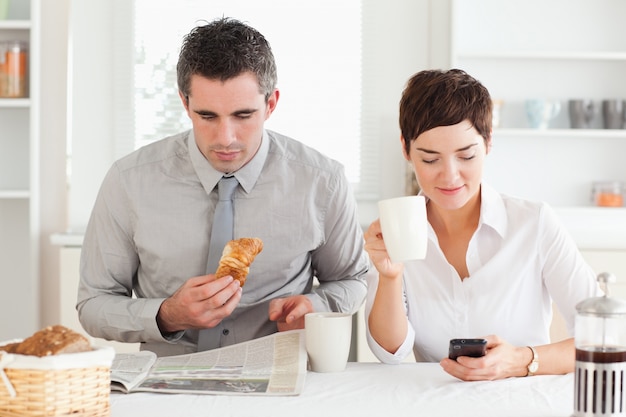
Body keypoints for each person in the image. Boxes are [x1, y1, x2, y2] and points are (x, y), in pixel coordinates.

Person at [77, 17, 368, 356]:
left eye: (243, 116)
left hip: (280, 379)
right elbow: (93, 304)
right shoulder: (129, 181)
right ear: (185, 104)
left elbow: (352, 280)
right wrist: (167, 314)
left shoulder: (323, 181)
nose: (225, 138)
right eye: (207, 116)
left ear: (270, 104)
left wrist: (317, 306)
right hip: (167, 385)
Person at [363, 68, 602, 381]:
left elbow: (604, 338)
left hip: (524, 402)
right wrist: (390, 277)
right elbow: (389, 352)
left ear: (488, 143)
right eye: (430, 159)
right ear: (406, 149)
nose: (449, 176)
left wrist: (522, 360)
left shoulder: (534, 224)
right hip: (435, 403)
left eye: (466, 156)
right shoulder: (396, 230)